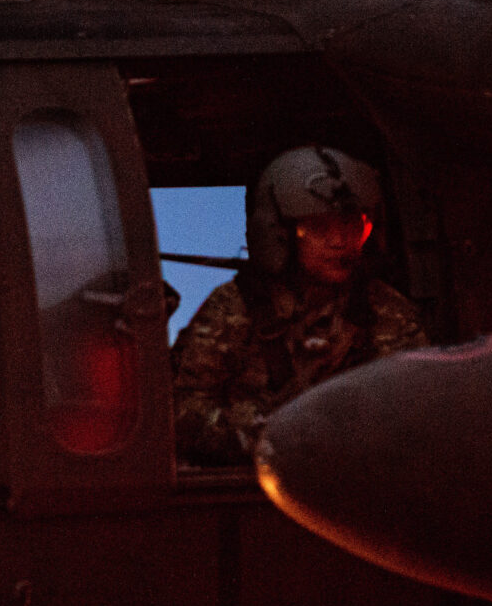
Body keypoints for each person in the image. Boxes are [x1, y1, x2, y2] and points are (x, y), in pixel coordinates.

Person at [171, 146, 427, 466]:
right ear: (280, 234)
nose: (340, 241)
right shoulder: (233, 311)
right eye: (319, 228)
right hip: (248, 486)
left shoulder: (387, 312)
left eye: (352, 225)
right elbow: (182, 408)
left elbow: (415, 410)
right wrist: (261, 437)